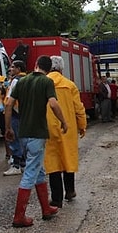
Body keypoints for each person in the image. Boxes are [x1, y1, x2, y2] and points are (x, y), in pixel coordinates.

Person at [5, 55, 68, 228]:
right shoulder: (46, 82)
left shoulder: (21, 82)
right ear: (48, 70)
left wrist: (8, 128)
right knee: (31, 172)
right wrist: (63, 121)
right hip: (37, 133)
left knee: (39, 170)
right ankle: (19, 216)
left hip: (23, 133)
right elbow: (54, 105)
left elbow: (9, 104)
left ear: (35, 65)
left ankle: (46, 209)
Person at [45, 56, 87, 208]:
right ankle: (70, 191)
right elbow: (78, 107)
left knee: (53, 162)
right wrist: (82, 125)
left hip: (48, 128)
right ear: (61, 69)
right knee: (68, 157)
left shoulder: (43, 83)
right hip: (67, 128)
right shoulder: (69, 85)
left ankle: (56, 199)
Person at [3, 60, 27, 176]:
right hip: (24, 114)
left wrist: (7, 122)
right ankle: (23, 163)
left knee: (14, 139)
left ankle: (16, 165)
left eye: (13, 67)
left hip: (15, 113)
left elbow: (9, 101)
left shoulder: (15, 81)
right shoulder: (27, 79)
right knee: (22, 140)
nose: (10, 69)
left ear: (18, 69)